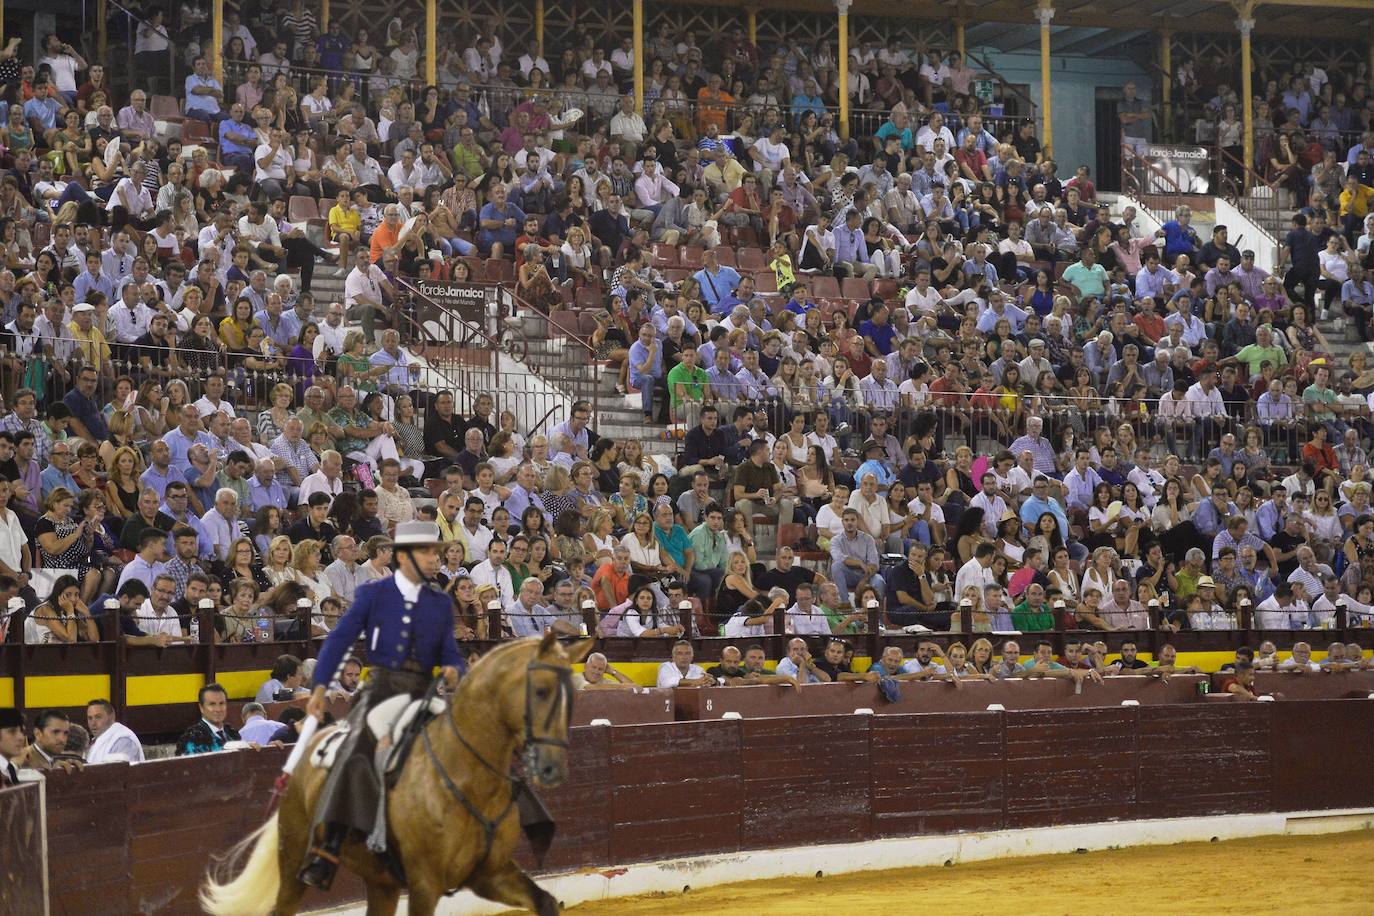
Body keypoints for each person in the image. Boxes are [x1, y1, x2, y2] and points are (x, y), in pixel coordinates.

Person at [297, 520, 464, 891]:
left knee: (464, 750)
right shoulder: (374, 594)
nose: (435, 559)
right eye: (427, 552)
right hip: (381, 690)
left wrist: (455, 668)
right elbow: (339, 639)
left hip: (424, 692)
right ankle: (330, 847)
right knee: (356, 751)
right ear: (404, 557)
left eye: (436, 552)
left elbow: (451, 653)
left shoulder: (439, 601)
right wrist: (321, 686)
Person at [174, 683, 240, 756]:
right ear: (201, 708)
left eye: (221, 703)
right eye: (212, 704)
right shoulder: (193, 738)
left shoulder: (233, 734)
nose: (218, 709)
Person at [85, 698, 145, 764]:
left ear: (112, 716)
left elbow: (122, 772)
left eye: (98, 717)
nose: (93, 723)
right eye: (90, 718)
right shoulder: (94, 742)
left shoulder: (123, 741)